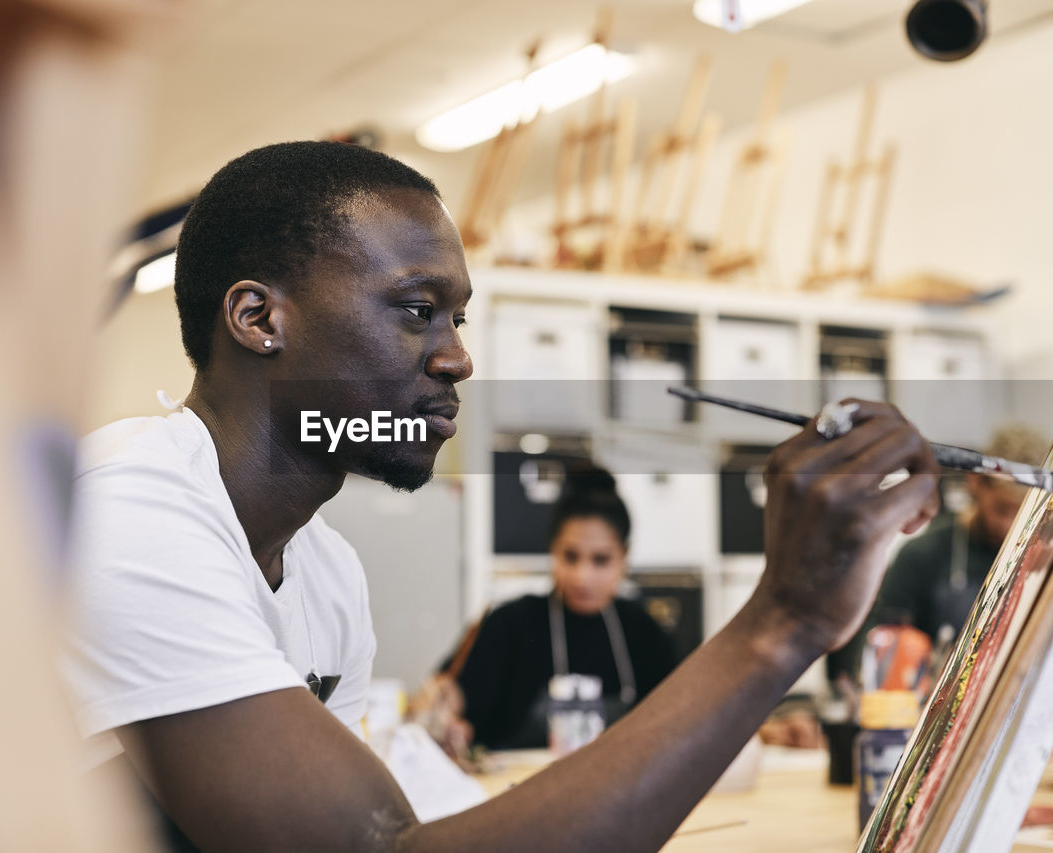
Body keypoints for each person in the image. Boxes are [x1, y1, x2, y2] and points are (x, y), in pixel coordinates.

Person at [64, 140, 940, 852]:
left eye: (458, 319)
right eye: (415, 310)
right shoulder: (129, 514)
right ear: (258, 318)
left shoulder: (327, 574)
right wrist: (780, 622)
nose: (456, 358)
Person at [435, 465, 679, 751]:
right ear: (553, 550)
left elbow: (679, 718)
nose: (582, 577)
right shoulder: (510, 624)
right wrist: (443, 716)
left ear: (624, 557)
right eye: (570, 557)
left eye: (600, 560)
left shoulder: (644, 633)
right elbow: (448, 697)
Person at [827, 425, 1049, 682]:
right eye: (1002, 510)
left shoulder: (1044, 559)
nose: (1011, 525)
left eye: (1025, 514)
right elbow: (878, 650)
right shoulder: (921, 555)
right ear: (975, 482)